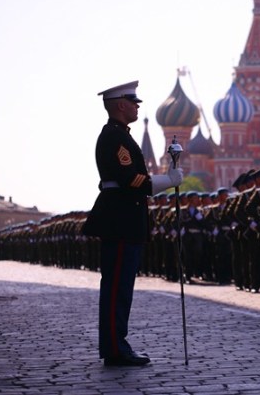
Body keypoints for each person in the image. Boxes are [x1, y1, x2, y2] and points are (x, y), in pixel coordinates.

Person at [83, 81, 184, 366]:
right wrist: (168, 180)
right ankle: (116, 348)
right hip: (121, 218)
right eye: (133, 101)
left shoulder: (120, 136)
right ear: (120, 105)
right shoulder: (115, 137)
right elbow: (132, 180)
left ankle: (117, 345)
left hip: (125, 217)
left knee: (121, 286)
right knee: (117, 286)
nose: (137, 106)